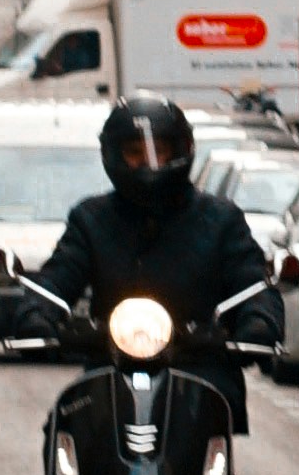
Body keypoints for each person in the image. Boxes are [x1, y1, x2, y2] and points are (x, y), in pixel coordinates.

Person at [29, 99, 278, 424]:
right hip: (111, 371)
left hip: (198, 372)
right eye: (136, 153)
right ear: (114, 155)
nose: (150, 163)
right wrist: (37, 311)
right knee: (67, 424)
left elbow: (251, 279)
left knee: (213, 431)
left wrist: (259, 320)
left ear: (182, 150)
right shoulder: (91, 220)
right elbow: (59, 275)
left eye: (159, 150)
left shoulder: (221, 221)